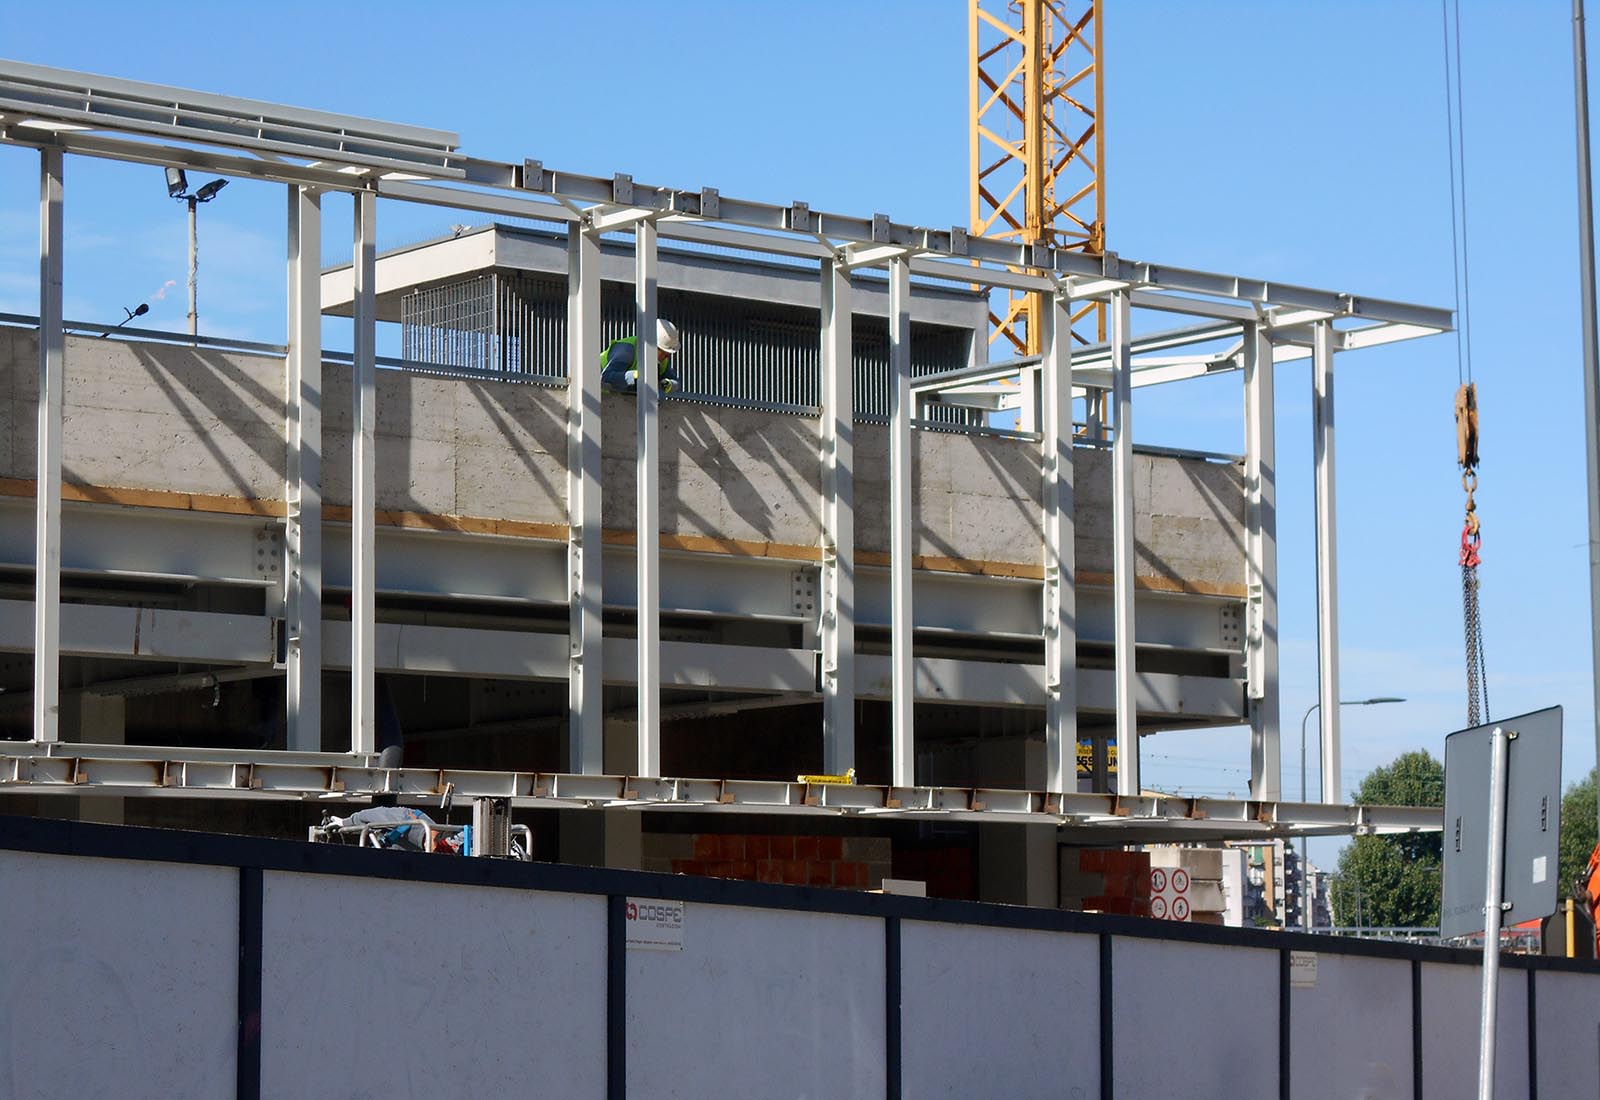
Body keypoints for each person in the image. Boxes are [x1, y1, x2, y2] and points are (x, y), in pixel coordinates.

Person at [601, 318, 681, 395]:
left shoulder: (663, 360)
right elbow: (606, 377)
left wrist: (669, 384)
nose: (666, 357)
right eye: (663, 352)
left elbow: (676, 382)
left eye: (667, 353)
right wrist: (636, 375)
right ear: (650, 345)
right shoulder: (627, 350)